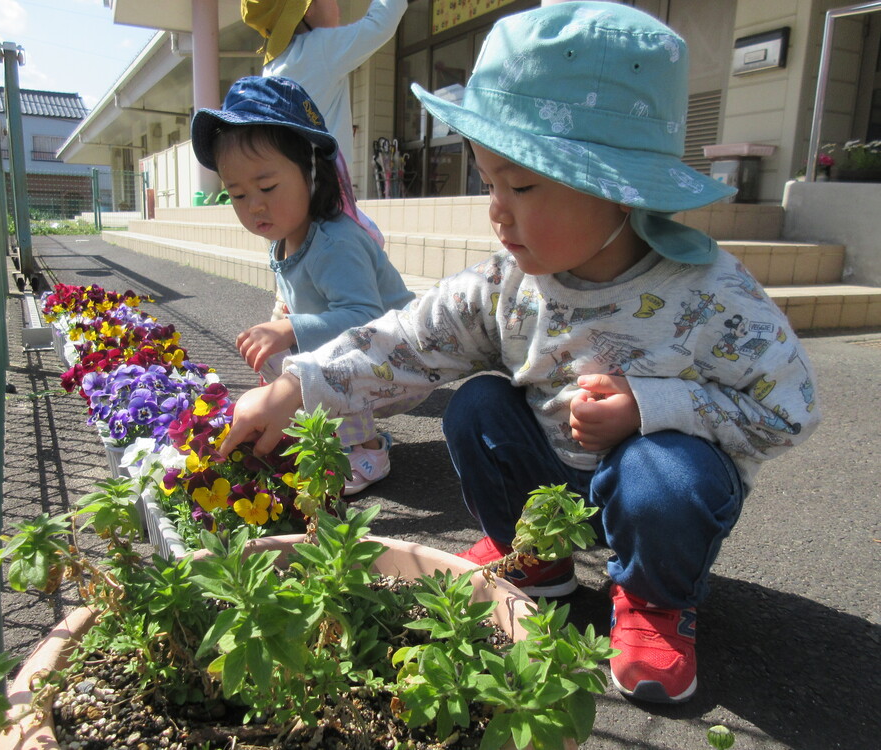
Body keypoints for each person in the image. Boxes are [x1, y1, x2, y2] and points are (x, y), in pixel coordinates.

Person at [216, 2, 821, 705]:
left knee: (664, 471)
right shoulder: (509, 280)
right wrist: (295, 387)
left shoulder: (710, 295)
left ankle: (655, 600)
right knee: (477, 405)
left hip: (653, 499)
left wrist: (653, 409)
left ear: (617, 190)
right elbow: (406, 338)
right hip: (552, 478)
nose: (497, 210)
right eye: (490, 182)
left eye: (523, 185)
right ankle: (536, 559)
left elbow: (790, 409)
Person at [191, 75, 418, 495]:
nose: (254, 205)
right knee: (284, 359)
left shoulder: (334, 241)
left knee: (313, 360)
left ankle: (366, 452)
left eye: (267, 186)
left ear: (312, 171)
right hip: (362, 350)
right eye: (237, 194)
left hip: (402, 358)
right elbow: (291, 301)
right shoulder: (285, 237)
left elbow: (367, 320)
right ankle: (311, 431)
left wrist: (289, 330)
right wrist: (278, 331)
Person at [242, 0, 408, 163]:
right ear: (307, 9)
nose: (338, 6)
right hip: (329, 181)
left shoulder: (273, 66)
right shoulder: (321, 47)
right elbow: (381, 24)